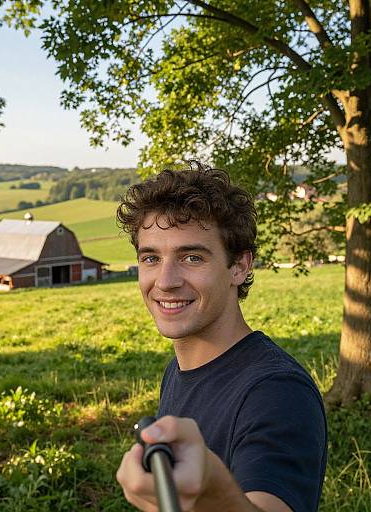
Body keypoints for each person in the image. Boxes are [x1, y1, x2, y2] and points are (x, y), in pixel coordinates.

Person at [115, 162, 327, 512]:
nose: (165, 280)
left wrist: (210, 497)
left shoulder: (278, 391)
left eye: (192, 257)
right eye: (151, 258)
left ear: (239, 267)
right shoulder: (179, 369)